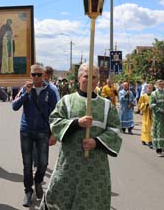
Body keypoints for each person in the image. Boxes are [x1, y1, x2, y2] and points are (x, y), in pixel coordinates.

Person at [40, 63, 122, 210]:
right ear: (79, 78)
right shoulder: (66, 101)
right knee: (61, 198)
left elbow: (115, 129)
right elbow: (55, 122)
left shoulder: (107, 105)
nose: (90, 80)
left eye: (94, 77)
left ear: (98, 80)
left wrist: (96, 142)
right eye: (86, 76)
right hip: (69, 164)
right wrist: (77, 123)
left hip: (96, 167)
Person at [12, 64, 58, 207]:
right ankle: (28, 191)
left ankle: (38, 181)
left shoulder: (50, 90)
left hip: (43, 131)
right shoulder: (25, 88)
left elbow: (55, 113)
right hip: (26, 130)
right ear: (30, 75)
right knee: (27, 164)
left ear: (44, 75)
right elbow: (14, 106)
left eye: (39, 74)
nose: (36, 77)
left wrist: (54, 134)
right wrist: (26, 93)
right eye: (34, 74)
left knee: (43, 163)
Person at [150, 79, 164, 157]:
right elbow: (152, 105)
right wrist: (162, 110)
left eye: (162, 84)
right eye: (160, 84)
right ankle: (158, 149)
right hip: (158, 116)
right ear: (157, 85)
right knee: (159, 132)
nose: (161, 85)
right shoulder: (154, 94)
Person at [138, 83, 154, 148]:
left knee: (151, 128)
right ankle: (148, 141)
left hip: (153, 114)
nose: (150, 89)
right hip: (146, 114)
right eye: (149, 88)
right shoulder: (143, 96)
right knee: (146, 127)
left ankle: (148, 139)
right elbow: (139, 105)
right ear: (146, 89)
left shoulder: (154, 96)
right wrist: (146, 105)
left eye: (151, 88)